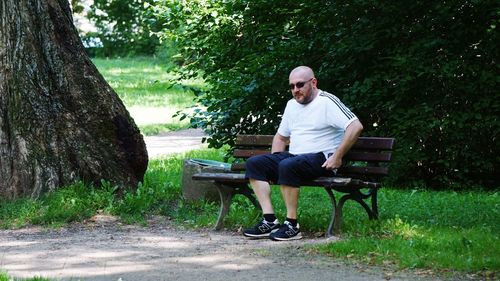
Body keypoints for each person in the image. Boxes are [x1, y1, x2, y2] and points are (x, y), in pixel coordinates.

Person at [243, 66, 363, 241]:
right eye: (291, 86)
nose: (295, 90)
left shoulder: (327, 102)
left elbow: (355, 126)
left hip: (322, 158)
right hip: (296, 158)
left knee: (288, 165)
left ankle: (292, 225)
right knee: (255, 163)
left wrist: (337, 156)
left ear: (313, 82)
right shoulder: (292, 105)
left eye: (299, 85)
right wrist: (276, 162)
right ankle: (269, 221)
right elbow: (281, 138)